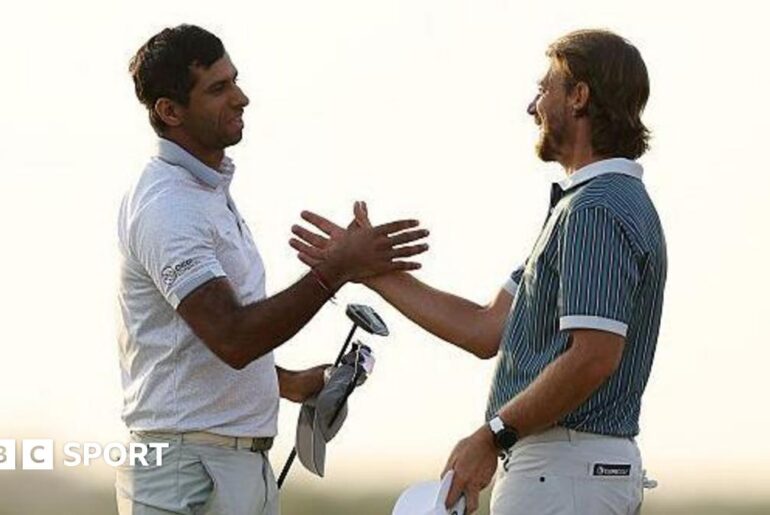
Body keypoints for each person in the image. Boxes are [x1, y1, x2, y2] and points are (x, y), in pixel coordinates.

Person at [291, 29, 666, 515]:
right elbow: (485, 328)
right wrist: (368, 271)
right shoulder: (585, 206)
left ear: (579, 97)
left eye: (544, 88)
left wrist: (492, 437)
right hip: (570, 471)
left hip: (564, 472)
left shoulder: (595, 209)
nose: (532, 107)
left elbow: (593, 357)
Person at [117, 24, 428, 515]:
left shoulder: (203, 192)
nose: (241, 98)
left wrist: (285, 382)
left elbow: (197, 343)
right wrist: (336, 270)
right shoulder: (168, 205)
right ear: (170, 111)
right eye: (218, 89)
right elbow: (233, 337)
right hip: (188, 467)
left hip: (223, 460)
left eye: (234, 81)